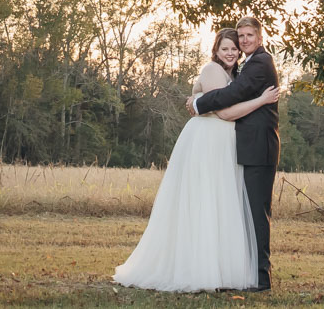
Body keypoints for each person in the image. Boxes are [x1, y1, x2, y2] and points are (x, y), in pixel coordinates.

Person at [113, 28, 281, 292]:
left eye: (234, 48)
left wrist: (201, 100)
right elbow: (225, 113)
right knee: (207, 203)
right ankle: (204, 268)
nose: (232, 52)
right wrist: (261, 101)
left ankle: (232, 269)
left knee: (222, 205)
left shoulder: (237, 72)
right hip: (210, 141)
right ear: (215, 51)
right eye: (226, 48)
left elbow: (230, 99)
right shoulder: (213, 71)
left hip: (225, 144)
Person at [187, 17, 279, 292]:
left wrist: (198, 102)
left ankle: (262, 279)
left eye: (250, 35)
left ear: (260, 38)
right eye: (241, 36)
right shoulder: (244, 66)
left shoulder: (261, 62)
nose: (245, 40)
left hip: (258, 148)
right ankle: (249, 273)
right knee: (246, 212)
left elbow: (234, 94)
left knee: (256, 212)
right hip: (245, 147)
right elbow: (233, 94)